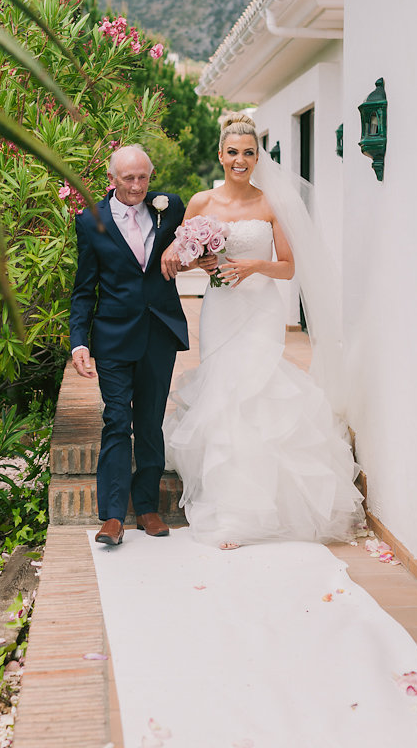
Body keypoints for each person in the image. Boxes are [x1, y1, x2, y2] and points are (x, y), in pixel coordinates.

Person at [162, 114, 364, 549]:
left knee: (255, 391)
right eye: (232, 152)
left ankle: (259, 507)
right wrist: (200, 262)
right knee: (224, 394)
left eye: (248, 153)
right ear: (220, 155)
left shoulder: (272, 203)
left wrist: (255, 265)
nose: (240, 160)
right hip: (220, 309)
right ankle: (230, 507)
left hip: (260, 309)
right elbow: (179, 257)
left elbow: (290, 267)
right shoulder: (200, 203)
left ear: (258, 157)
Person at [70, 145, 189, 547]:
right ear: (112, 179)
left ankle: (149, 507)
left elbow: (195, 242)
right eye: (128, 179)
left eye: (143, 177)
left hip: (159, 331)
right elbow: (84, 290)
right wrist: (78, 342)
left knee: (150, 420)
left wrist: (179, 248)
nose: (137, 186)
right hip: (114, 336)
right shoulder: (90, 221)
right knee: (117, 420)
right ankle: (113, 517)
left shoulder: (169, 207)